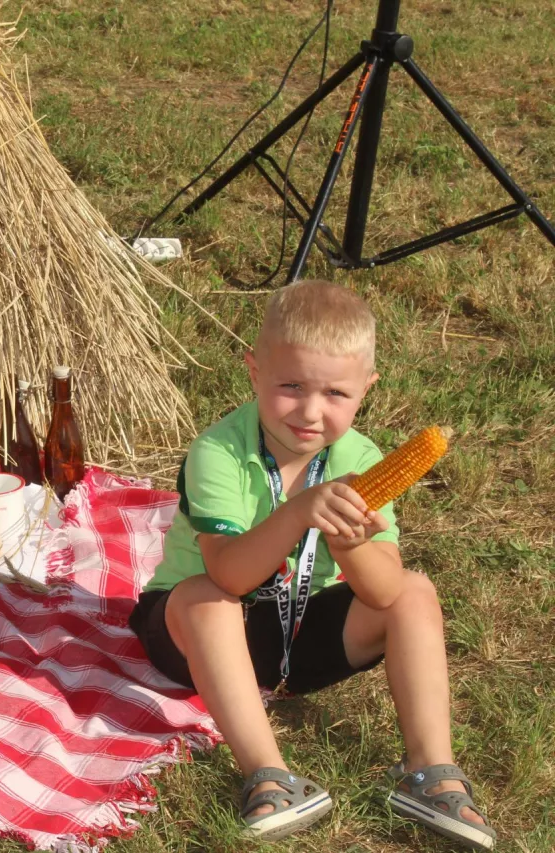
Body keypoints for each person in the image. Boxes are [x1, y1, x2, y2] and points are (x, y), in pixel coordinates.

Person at [129, 280, 496, 849]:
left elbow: (384, 591)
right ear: (253, 371)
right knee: (205, 596)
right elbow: (228, 574)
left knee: (416, 592)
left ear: (365, 390)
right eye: (291, 386)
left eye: (335, 394)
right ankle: (266, 773)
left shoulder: (362, 457)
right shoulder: (218, 451)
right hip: (194, 636)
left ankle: (429, 771)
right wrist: (300, 511)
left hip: (298, 639)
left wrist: (350, 545)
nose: (309, 411)